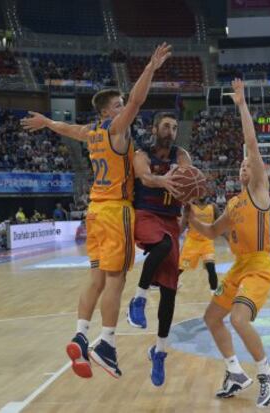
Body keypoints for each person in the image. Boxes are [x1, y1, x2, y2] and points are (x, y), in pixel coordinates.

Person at [21, 43, 172, 379]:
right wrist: (150, 67)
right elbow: (138, 100)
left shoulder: (91, 133)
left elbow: (67, 129)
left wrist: (47, 121)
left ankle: (80, 332)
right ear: (107, 111)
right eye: (117, 106)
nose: (123, 109)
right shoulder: (116, 129)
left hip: (94, 211)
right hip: (116, 211)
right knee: (116, 280)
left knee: (97, 278)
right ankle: (106, 343)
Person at [188, 79, 270, 408]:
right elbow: (211, 231)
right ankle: (234, 372)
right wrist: (187, 214)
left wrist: (241, 104)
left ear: (256, 171)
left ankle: (268, 374)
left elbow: (251, 144)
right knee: (212, 318)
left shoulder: (259, 193)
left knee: (239, 320)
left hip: (259, 266)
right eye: (241, 165)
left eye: (249, 164)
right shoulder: (232, 203)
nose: (245, 165)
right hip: (239, 268)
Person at [127, 112, 191, 386]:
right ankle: (138, 298)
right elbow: (143, 177)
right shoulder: (142, 153)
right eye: (166, 125)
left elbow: (189, 179)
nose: (171, 130)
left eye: (175, 126)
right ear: (154, 128)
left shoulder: (181, 155)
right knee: (163, 244)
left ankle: (159, 351)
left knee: (170, 292)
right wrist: (164, 180)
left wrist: (188, 216)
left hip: (171, 220)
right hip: (146, 214)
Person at [179, 198, 220, 293]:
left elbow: (221, 223)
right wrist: (174, 235)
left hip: (207, 242)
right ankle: (170, 284)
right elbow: (183, 225)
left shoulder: (213, 207)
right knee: (180, 268)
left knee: (211, 268)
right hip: (192, 243)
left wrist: (229, 237)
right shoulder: (189, 207)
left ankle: (214, 292)